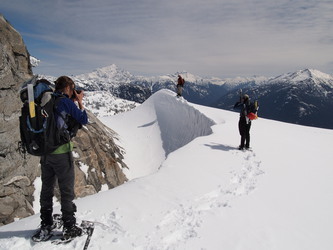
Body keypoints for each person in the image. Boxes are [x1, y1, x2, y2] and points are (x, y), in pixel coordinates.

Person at [32, 76, 88, 241]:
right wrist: (79, 102)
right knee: (66, 190)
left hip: (45, 153)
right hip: (62, 153)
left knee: (47, 189)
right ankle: (69, 226)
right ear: (69, 87)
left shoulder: (45, 100)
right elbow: (83, 119)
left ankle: (46, 224)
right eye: (73, 87)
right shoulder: (66, 102)